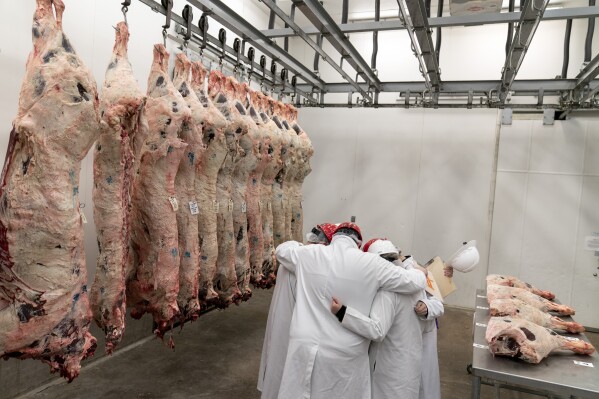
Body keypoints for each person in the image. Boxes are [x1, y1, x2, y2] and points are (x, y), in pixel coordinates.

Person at [275, 223, 428, 399]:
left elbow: (282, 249)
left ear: (333, 238)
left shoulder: (308, 254)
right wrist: (415, 268)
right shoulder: (373, 263)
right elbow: (414, 282)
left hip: (303, 345)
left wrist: (309, 246)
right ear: (358, 243)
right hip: (344, 354)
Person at [330, 238, 444, 399]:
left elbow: (377, 330)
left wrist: (342, 312)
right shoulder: (415, 284)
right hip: (411, 365)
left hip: (389, 372)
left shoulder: (388, 293)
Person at [257, 223, 336, 399]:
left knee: (278, 370)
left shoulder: (292, 255)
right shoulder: (308, 262)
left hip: (284, 324)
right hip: (296, 328)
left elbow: (285, 247)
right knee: (290, 375)